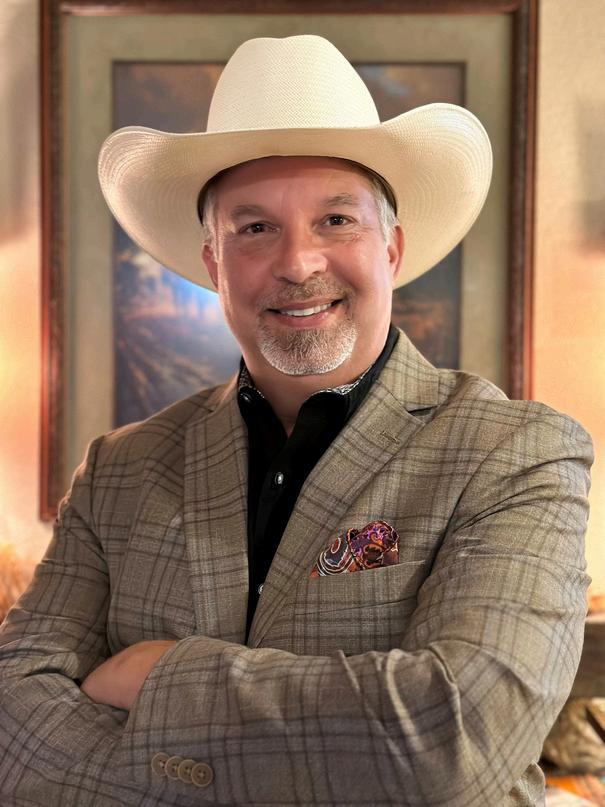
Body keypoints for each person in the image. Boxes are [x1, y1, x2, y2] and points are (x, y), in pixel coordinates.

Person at [0, 34, 593, 807]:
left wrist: (156, 674)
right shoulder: (118, 467)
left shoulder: (517, 451)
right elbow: (13, 721)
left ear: (391, 248)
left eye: (335, 220)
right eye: (254, 228)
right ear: (212, 262)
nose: (297, 262)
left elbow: (455, 740)